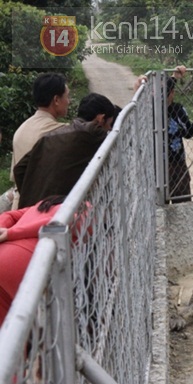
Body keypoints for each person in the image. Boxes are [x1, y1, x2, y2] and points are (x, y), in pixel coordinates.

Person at [13, 93, 117, 208]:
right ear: (101, 119)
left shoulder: (48, 137)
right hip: (54, 211)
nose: (110, 129)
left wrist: (31, 196)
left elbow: (19, 169)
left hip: (31, 210)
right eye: (109, 124)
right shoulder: (93, 131)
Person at [0, 195, 65, 326]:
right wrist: (10, 233)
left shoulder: (42, 204)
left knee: (9, 329)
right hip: (22, 263)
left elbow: (9, 215)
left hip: (5, 255)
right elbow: (57, 224)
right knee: (40, 330)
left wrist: (5, 230)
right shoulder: (83, 206)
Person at [10, 72, 70, 210]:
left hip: (19, 207)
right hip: (40, 210)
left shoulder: (22, 128)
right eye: (67, 96)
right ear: (56, 100)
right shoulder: (58, 132)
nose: (69, 101)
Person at [166, 74, 193, 203]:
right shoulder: (148, 109)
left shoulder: (176, 109)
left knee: (181, 203)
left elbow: (188, 132)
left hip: (176, 164)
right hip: (167, 164)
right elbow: (188, 132)